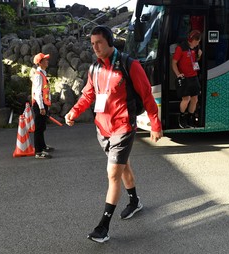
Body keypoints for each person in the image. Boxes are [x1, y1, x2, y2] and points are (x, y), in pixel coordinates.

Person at [64, 25, 163, 243]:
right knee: (123, 166)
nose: (95, 47)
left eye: (98, 42)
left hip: (123, 127)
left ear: (109, 41)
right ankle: (135, 201)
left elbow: (147, 96)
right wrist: (74, 111)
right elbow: (88, 96)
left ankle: (103, 228)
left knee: (113, 173)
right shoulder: (94, 69)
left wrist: (155, 124)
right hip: (103, 128)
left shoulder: (130, 65)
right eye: (92, 44)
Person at [172, 30, 202, 128]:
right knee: (186, 98)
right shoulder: (181, 48)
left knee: (195, 98)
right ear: (192, 40)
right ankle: (182, 117)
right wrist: (178, 74)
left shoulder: (196, 48)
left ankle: (190, 118)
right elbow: (174, 63)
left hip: (194, 76)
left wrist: (199, 56)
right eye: (197, 41)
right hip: (185, 77)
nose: (198, 43)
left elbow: (195, 61)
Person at [31, 53, 54, 159]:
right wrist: (41, 107)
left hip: (43, 103)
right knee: (39, 128)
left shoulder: (42, 74)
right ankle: (38, 151)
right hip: (39, 104)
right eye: (45, 60)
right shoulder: (38, 75)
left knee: (42, 126)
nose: (47, 61)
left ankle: (43, 146)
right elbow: (37, 92)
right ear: (40, 63)